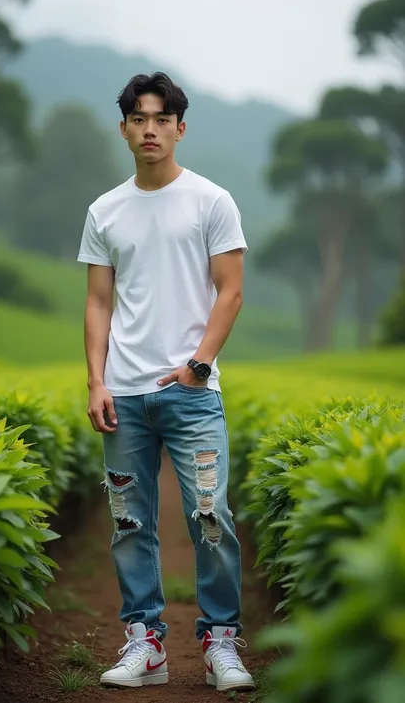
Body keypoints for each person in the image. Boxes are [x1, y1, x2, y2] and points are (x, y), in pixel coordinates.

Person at [77, 71, 255, 693]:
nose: (149, 130)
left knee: (212, 516)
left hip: (193, 393)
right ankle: (144, 643)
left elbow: (230, 292)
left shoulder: (212, 201)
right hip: (123, 393)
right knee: (129, 522)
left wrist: (198, 365)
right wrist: (96, 381)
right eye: (138, 119)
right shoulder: (105, 209)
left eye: (161, 119)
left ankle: (221, 644)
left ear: (181, 127)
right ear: (124, 127)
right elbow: (99, 302)